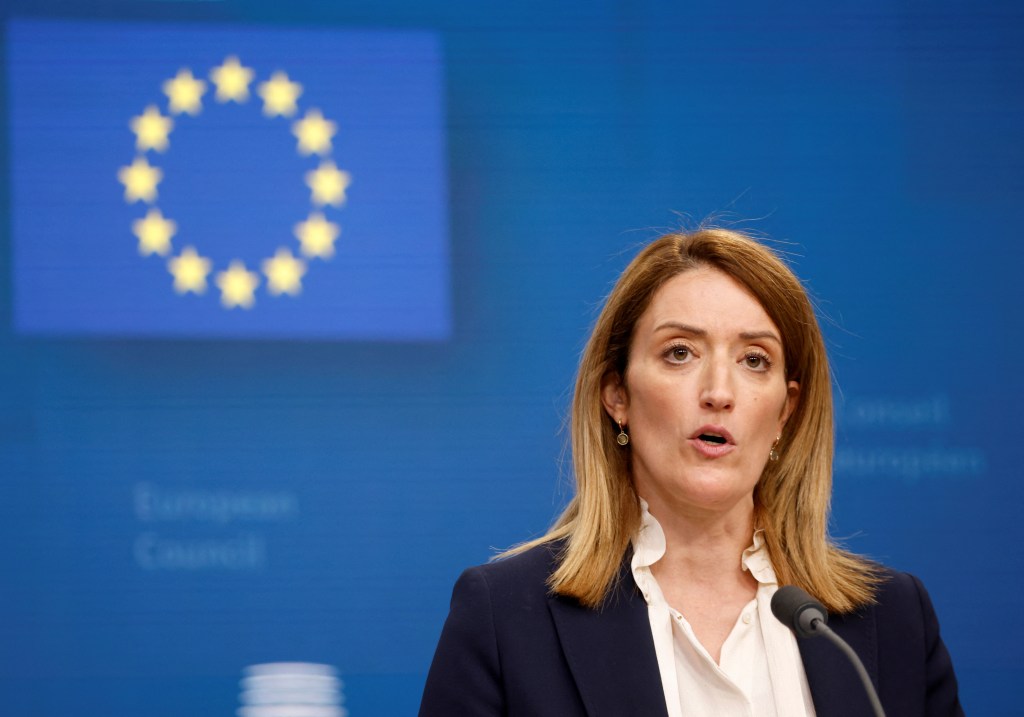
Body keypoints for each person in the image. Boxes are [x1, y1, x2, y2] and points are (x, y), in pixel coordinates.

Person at [419, 228, 963, 716]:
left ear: (785, 412)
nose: (719, 393)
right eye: (680, 353)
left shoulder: (892, 621)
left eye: (755, 360)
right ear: (617, 396)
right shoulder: (506, 621)